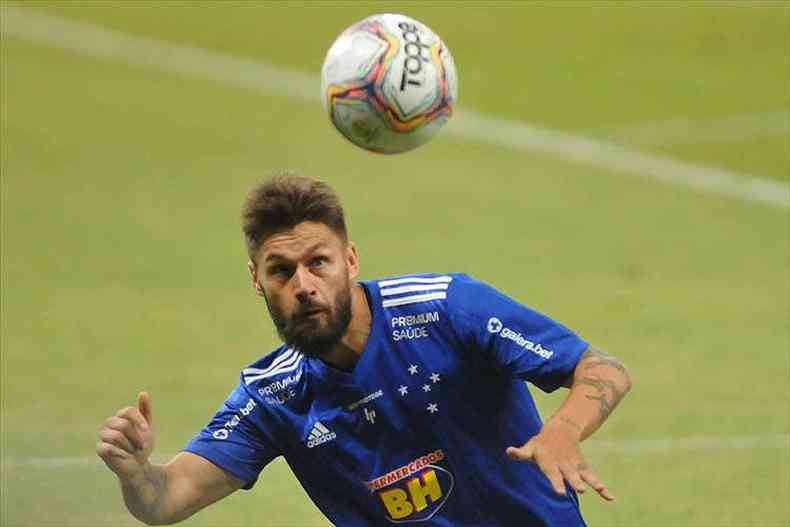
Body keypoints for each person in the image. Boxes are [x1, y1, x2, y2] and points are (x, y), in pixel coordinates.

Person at [96, 173, 632, 526]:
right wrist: (136, 470)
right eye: (281, 271)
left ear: (350, 260)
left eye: (318, 263)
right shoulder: (273, 395)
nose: (303, 285)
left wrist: (562, 431)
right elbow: (165, 499)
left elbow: (601, 369)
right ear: (257, 282)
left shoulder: (446, 309)